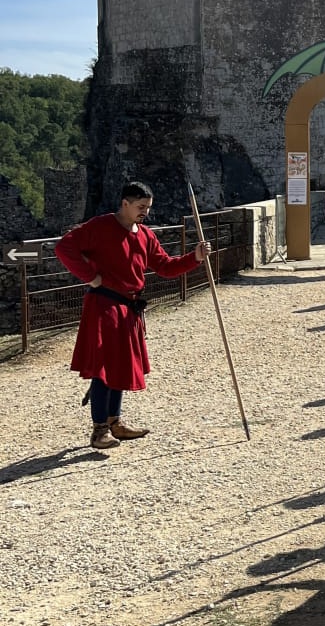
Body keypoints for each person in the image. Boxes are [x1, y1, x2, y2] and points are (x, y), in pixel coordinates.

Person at [54, 181, 211, 451]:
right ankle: (99, 430)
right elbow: (64, 248)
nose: (145, 212)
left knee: (121, 366)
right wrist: (91, 277)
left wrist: (194, 257)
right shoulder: (100, 226)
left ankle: (115, 422)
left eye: (148, 208)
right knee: (104, 368)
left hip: (129, 308)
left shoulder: (146, 235)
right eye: (140, 207)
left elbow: (164, 266)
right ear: (125, 203)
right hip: (104, 305)